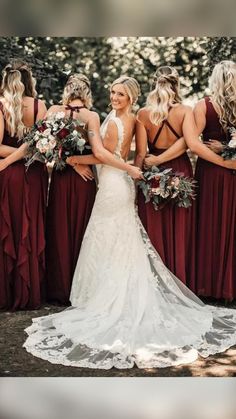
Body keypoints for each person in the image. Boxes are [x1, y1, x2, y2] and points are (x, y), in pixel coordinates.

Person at [23, 75, 236, 370]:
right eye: (112, 92)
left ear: (132, 97)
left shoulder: (127, 119)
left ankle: (110, 296)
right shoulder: (126, 117)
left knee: (109, 234)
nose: (114, 97)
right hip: (118, 181)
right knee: (115, 236)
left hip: (114, 183)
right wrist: (131, 171)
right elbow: (137, 156)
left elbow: (105, 156)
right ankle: (107, 290)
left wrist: (77, 162)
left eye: (120, 94)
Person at [135, 66, 196, 286]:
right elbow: (188, 143)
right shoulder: (186, 111)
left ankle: (157, 282)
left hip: (152, 170)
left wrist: (140, 177)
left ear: (154, 84)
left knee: (154, 223)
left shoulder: (142, 113)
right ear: (176, 85)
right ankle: (180, 279)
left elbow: (141, 152)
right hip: (180, 168)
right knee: (179, 225)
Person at [0, 60, 48, 310]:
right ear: (31, 81)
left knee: (11, 226)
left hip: (10, 174)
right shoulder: (40, 106)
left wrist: (9, 159)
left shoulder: (1, 106)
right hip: (35, 174)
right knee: (32, 228)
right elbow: (40, 144)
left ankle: (8, 292)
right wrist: (26, 153)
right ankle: (30, 292)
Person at [45, 74, 97, 304]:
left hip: (60, 176)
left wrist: (67, 161)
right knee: (81, 227)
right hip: (83, 178)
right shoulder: (91, 116)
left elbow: (45, 147)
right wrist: (77, 163)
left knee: (59, 227)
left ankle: (58, 289)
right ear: (87, 92)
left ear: (67, 90)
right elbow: (97, 152)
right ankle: (79, 288)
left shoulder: (53, 110)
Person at [193, 60, 236, 300]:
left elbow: (195, 143)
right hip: (229, 170)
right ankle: (227, 286)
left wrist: (221, 154)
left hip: (210, 171)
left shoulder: (203, 105)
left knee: (209, 224)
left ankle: (208, 286)